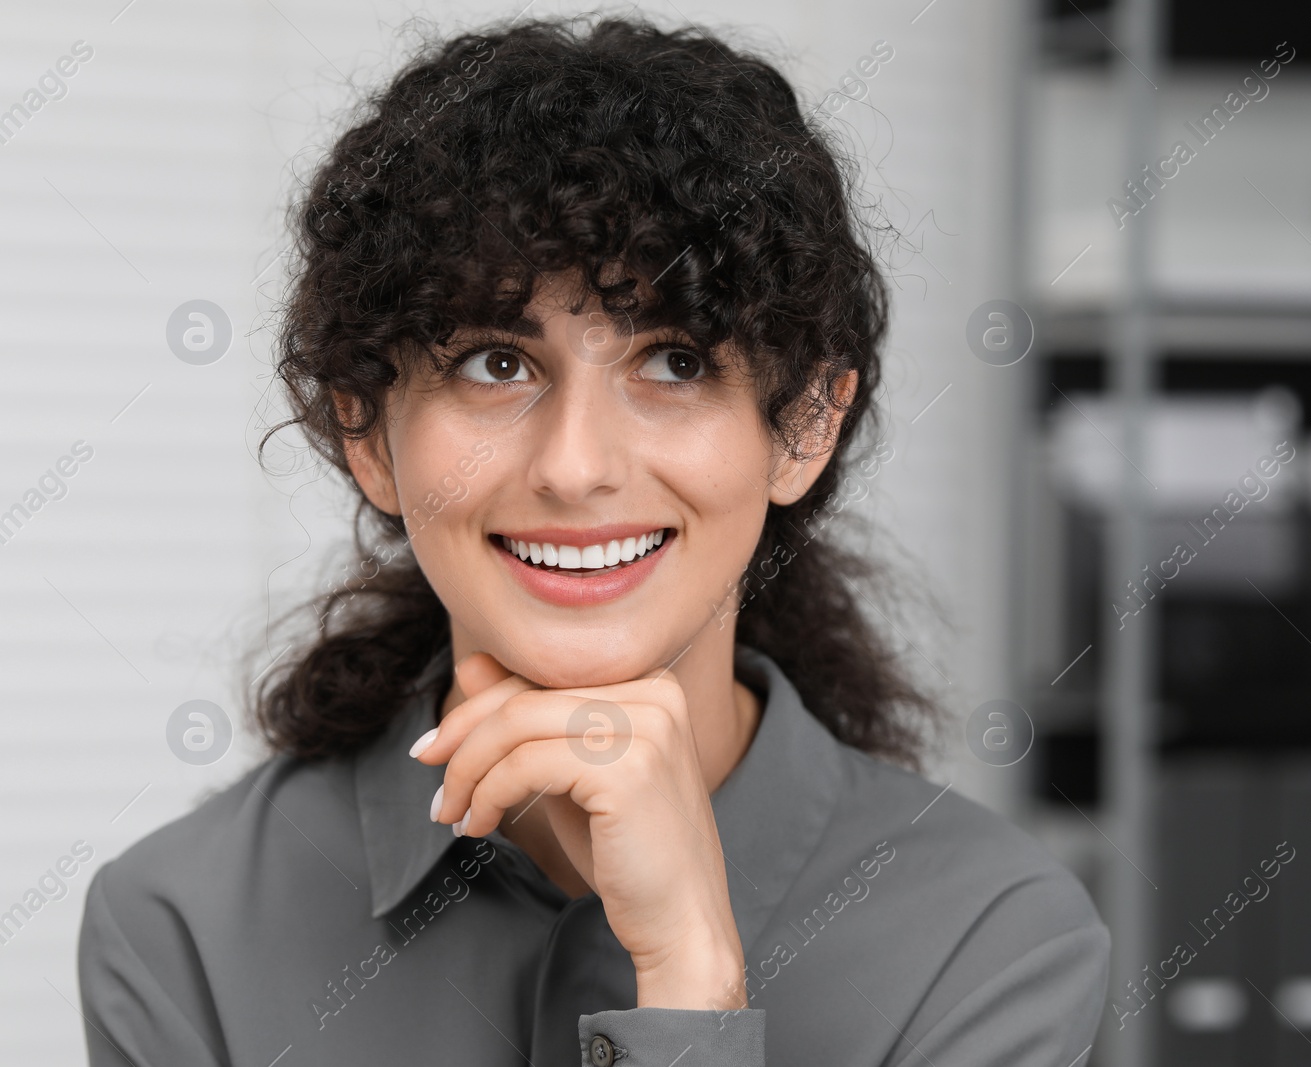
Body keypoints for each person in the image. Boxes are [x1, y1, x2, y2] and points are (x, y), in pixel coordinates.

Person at [76, 15, 1109, 1066]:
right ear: (364, 428)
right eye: (492, 363)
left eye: (674, 361)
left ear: (803, 424)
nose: (574, 466)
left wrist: (690, 976)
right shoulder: (181, 929)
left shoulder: (989, 940)